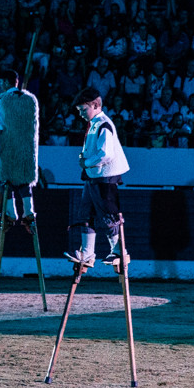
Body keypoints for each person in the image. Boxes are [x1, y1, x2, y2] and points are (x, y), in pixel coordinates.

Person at [66, 87, 130, 265]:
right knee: (86, 213)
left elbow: (106, 154)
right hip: (93, 176)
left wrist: (86, 162)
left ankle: (118, 251)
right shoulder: (94, 124)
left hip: (105, 177)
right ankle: (87, 254)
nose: (81, 114)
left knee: (108, 214)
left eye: (83, 110)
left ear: (95, 105)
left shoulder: (103, 124)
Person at [0, 69, 40, 222]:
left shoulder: (3, 100)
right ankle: (28, 211)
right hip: (27, 149)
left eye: (0, 82)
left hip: (9, 148)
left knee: (7, 179)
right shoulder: (31, 100)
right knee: (25, 180)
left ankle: (11, 213)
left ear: (6, 82)